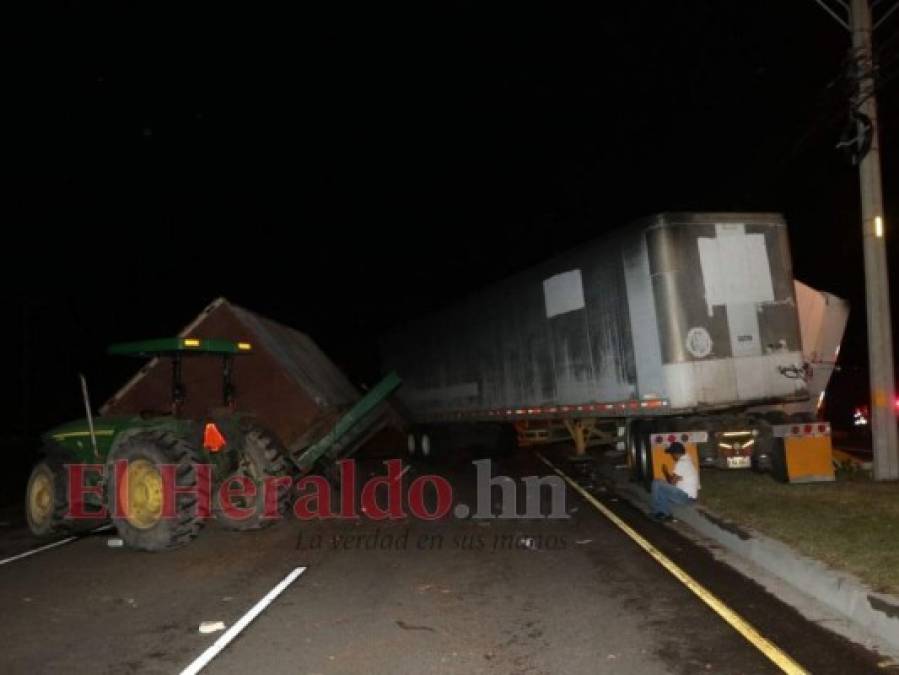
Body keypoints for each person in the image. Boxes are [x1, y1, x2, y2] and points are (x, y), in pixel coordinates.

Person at [650, 441, 699, 521]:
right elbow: (675, 480)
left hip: (685, 497)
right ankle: (664, 513)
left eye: (671, 453)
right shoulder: (687, 460)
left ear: (675, 453)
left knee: (656, 482)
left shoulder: (682, 463)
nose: (671, 456)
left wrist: (665, 471)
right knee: (660, 488)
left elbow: (671, 482)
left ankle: (658, 512)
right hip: (688, 496)